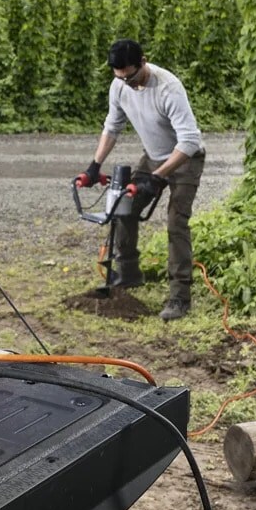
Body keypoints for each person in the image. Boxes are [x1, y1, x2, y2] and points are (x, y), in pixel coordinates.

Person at [80, 38, 205, 321]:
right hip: (153, 156)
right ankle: (128, 274)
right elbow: (112, 127)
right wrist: (94, 165)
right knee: (124, 208)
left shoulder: (168, 87)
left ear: (143, 62)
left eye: (132, 76)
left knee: (176, 222)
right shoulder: (120, 86)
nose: (128, 83)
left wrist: (158, 177)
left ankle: (180, 296)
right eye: (121, 78)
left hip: (185, 159)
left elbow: (188, 141)